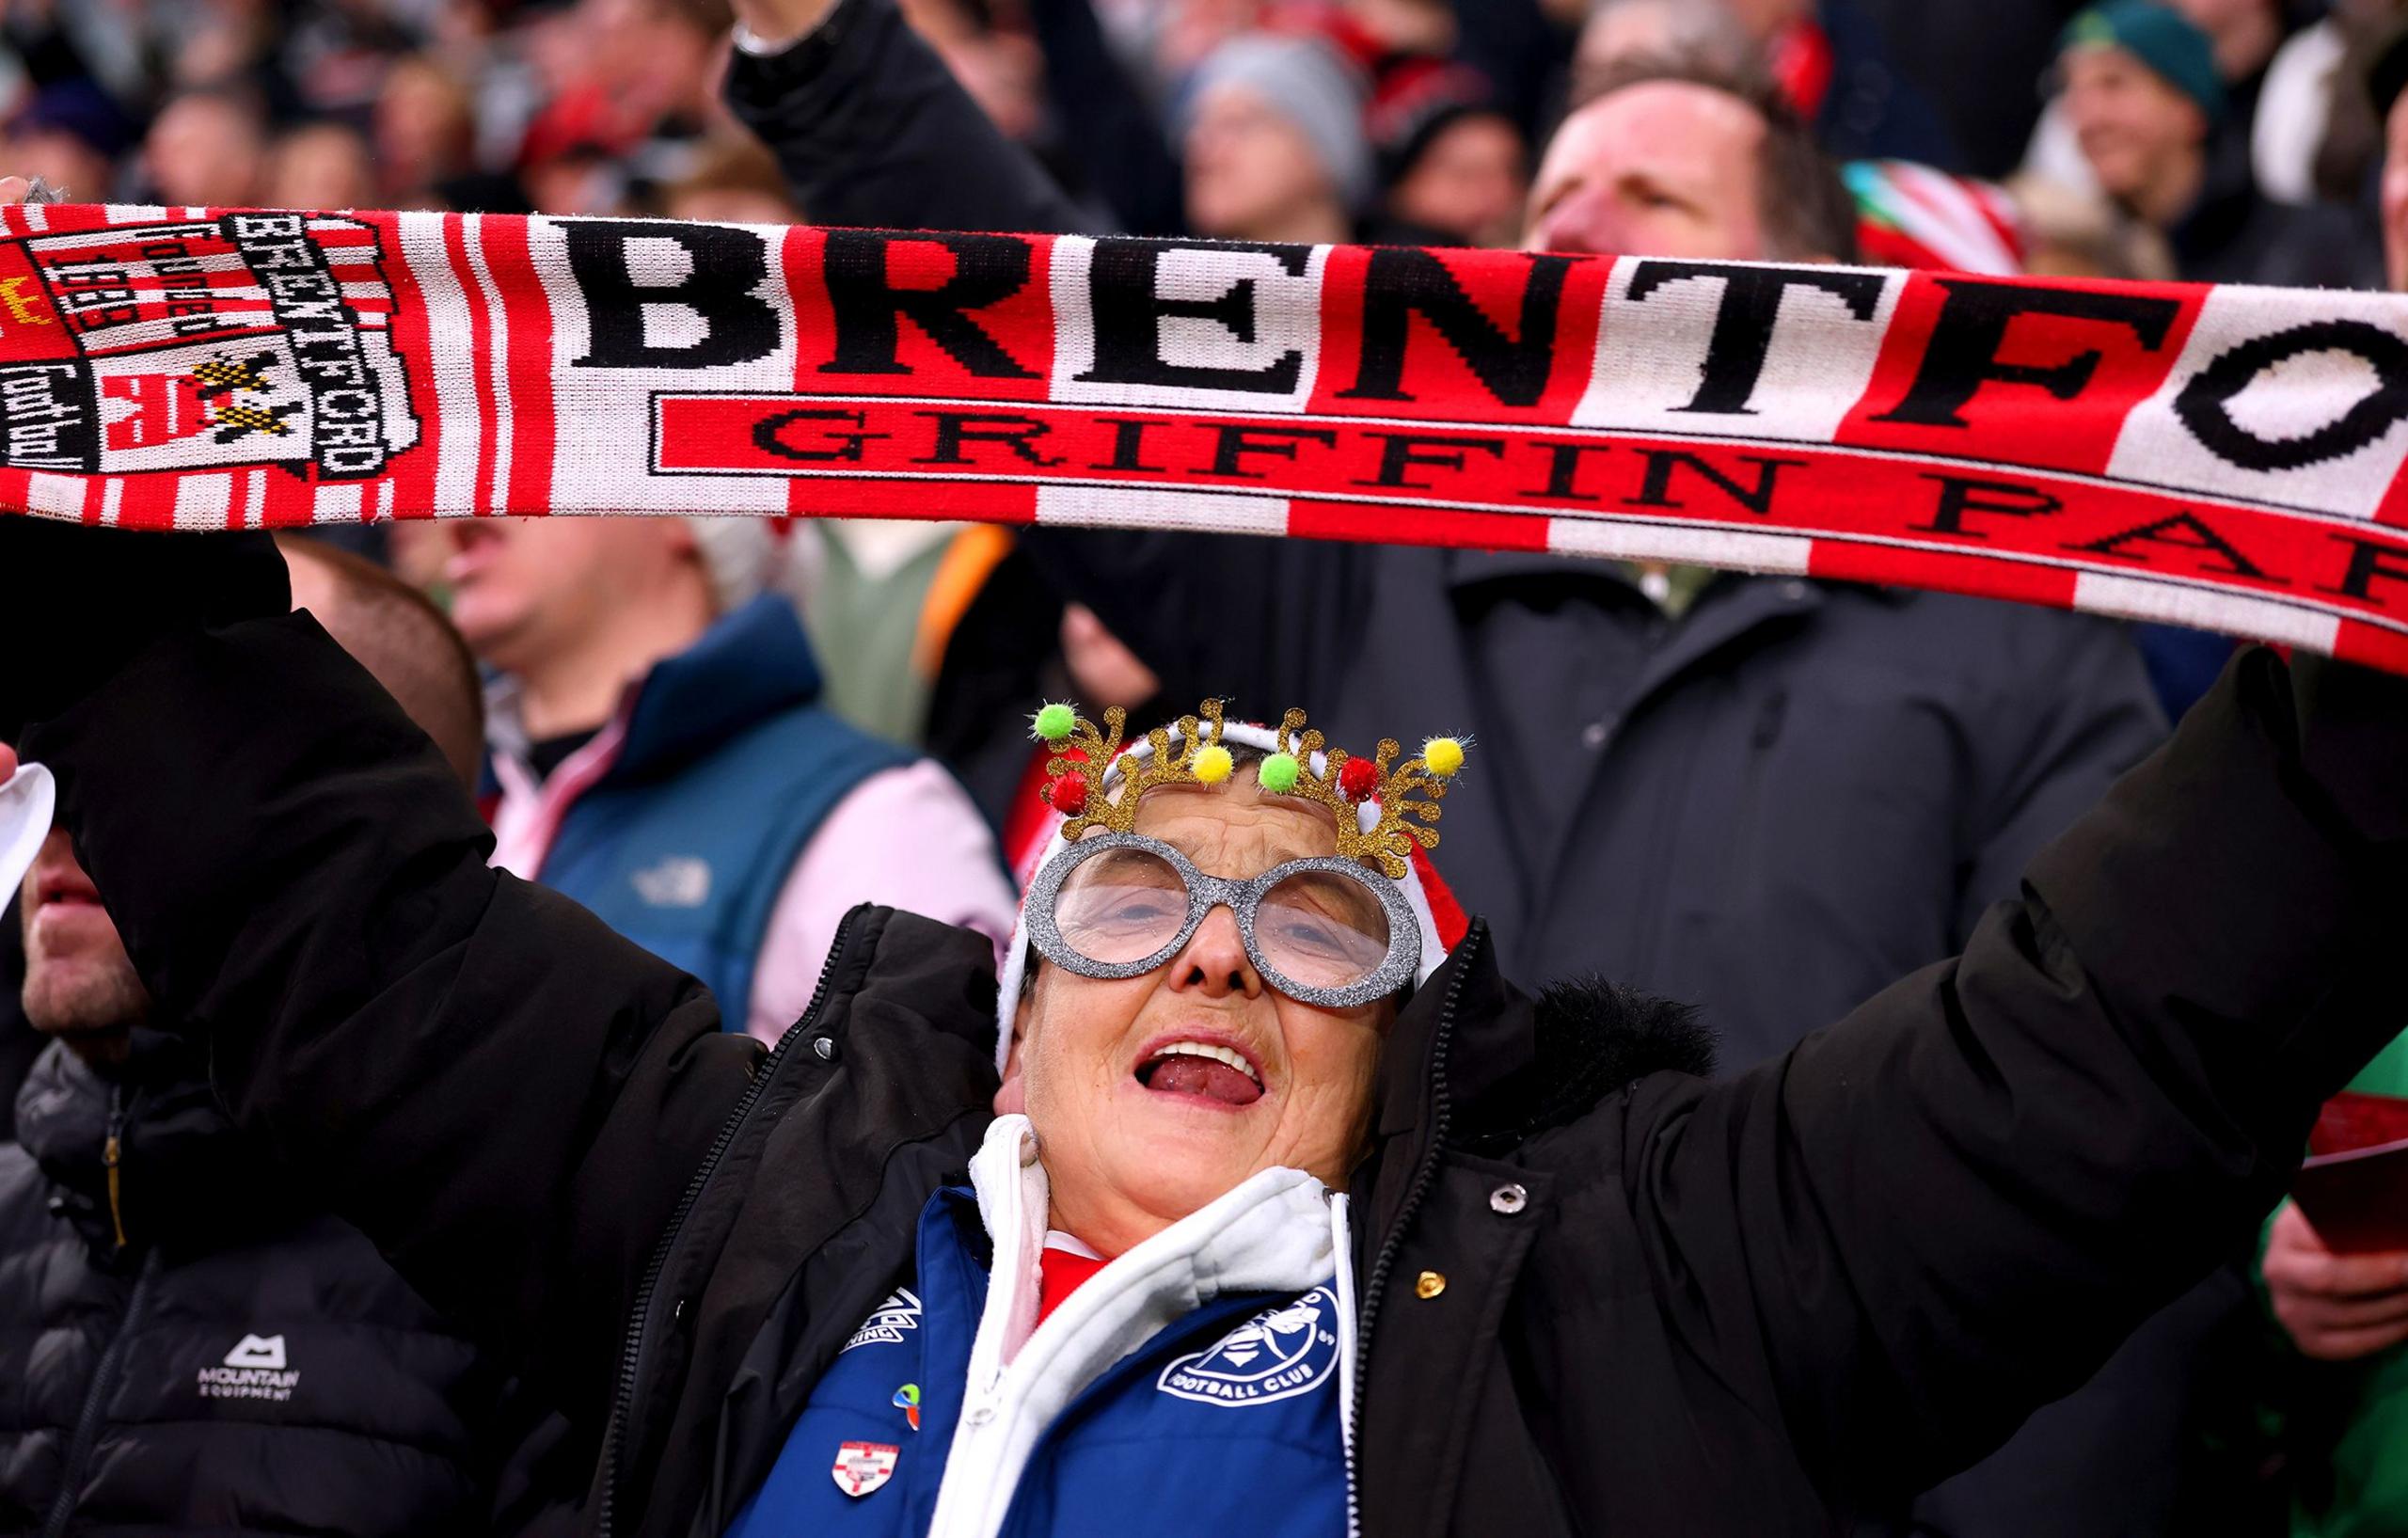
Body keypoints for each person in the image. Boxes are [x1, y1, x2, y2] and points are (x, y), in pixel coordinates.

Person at [4, 518, 2404, 1538]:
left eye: (1324, 926)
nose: (1219, 958)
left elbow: (2085, 1049)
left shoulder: (1641, 1295)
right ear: (1017, 985)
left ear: (1416, 1036)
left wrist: (2360, 677)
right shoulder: (758, 1207)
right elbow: (368, 923)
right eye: (1129, 895)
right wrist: (87, 573)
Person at [730, 3, 2163, 1070]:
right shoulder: (1362, 567)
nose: (1571, 229)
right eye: (1549, 204)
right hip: (1390, 1440)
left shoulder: (2007, 638)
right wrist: (821, 43)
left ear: (1792, 296)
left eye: (1651, 199)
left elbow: (2074, 1108)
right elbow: (1051, 327)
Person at [0, 537, 545, 1534]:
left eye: (165, 733)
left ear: (367, 820)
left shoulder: (527, 1291)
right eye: (46, 731)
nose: (57, 802)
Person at [441, 515, 1016, 1045]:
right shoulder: (453, 788)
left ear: (684, 506)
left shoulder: (877, 818)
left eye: (556, 432)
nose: (464, 506)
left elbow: (931, 1136)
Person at [2053, 0, 2374, 289]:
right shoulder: (2079, 263)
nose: (2088, 119)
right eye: (2073, 92)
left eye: (2113, 84)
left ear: (2189, 107)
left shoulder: (2312, 251)